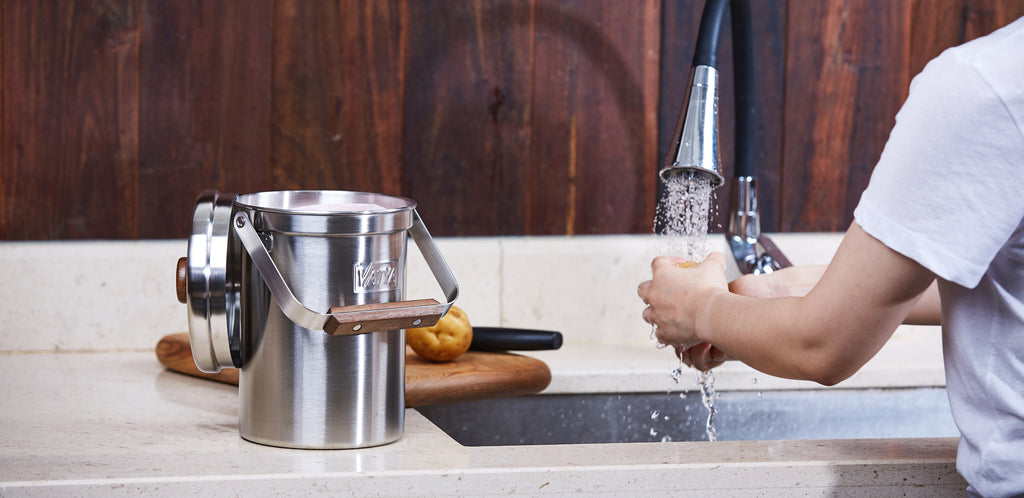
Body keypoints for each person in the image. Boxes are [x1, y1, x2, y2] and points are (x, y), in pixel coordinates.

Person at [637, 17, 1024, 498]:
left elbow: (822, 346)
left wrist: (701, 310)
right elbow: (1006, 287)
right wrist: (789, 290)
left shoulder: (986, 87)